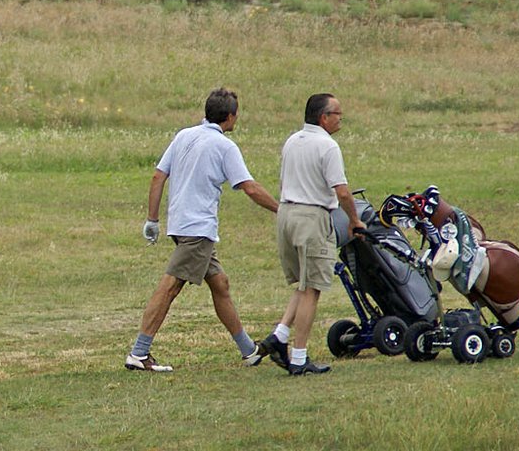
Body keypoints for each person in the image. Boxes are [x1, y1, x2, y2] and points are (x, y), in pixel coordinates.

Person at [127, 87, 279, 372]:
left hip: (181, 225)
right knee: (170, 287)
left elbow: (159, 176)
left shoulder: (184, 135)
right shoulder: (224, 146)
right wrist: (282, 211)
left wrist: (152, 220)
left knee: (220, 284)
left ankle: (249, 351)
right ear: (230, 116)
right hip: (198, 229)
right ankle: (139, 353)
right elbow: (249, 187)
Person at [259, 94, 366, 375]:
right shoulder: (328, 146)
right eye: (337, 113)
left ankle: (280, 335)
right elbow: (341, 191)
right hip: (312, 217)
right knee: (313, 289)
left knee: (302, 284)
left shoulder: (292, 141)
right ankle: (299, 357)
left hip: (286, 214)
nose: (341, 118)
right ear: (323, 117)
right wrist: (354, 220)